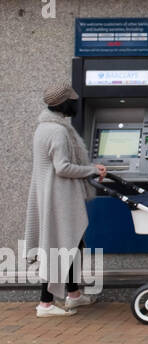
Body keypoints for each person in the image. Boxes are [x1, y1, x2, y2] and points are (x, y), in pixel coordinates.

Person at [24, 84, 105, 316]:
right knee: (60, 247)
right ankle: (45, 303)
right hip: (59, 197)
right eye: (73, 100)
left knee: (72, 243)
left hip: (49, 194)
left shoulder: (44, 127)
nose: (77, 104)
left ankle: (74, 295)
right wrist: (90, 169)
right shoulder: (58, 131)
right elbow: (63, 167)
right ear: (64, 103)